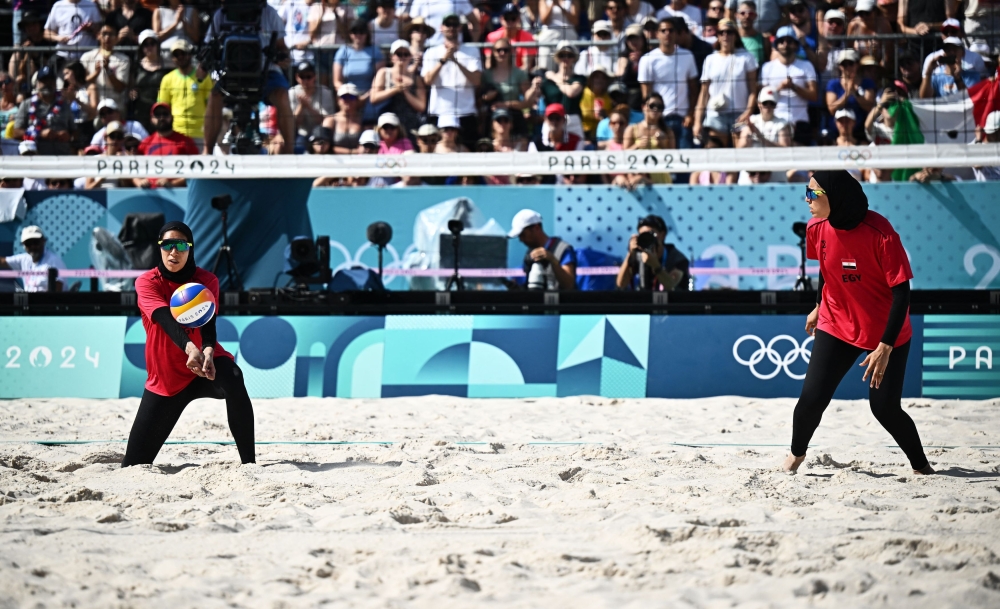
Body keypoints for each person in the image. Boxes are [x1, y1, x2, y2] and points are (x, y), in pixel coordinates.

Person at [784, 170, 933, 477]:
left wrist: (885, 347)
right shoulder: (816, 227)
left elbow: (902, 293)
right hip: (836, 322)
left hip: (884, 333)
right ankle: (796, 455)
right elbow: (826, 267)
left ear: (834, 197)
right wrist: (818, 305)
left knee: (884, 410)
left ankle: (922, 466)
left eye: (813, 194)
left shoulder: (881, 234)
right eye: (806, 192)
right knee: (811, 399)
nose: (806, 199)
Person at [122, 222, 255, 467]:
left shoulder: (206, 280)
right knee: (133, 465)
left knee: (234, 376)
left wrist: (207, 349)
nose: (174, 252)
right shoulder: (147, 282)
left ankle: (250, 465)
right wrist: (189, 348)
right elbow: (164, 319)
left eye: (181, 245)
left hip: (204, 367)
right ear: (160, 247)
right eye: (168, 245)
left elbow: (208, 323)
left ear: (190, 248)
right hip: (166, 379)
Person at [203, 1, 295, 154]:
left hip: (265, 71)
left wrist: (283, 57)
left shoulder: (269, 13)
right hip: (230, 72)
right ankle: (207, 150)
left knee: (282, 94)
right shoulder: (221, 14)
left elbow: (281, 46)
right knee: (215, 95)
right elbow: (208, 46)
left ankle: (289, 151)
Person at [421, 13, 482, 150]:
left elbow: (476, 80)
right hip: (439, 112)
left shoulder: (472, 50)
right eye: (448, 25)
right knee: (437, 154)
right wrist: (443, 61)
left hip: (465, 112)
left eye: (455, 25)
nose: (452, 28)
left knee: (468, 153)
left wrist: (456, 61)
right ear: (441, 27)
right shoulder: (431, 52)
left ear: (460, 27)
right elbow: (428, 81)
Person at [693, 18, 757, 148]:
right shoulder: (710, 59)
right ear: (717, 35)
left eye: (729, 32)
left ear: (735, 35)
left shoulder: (747, 57)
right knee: (714, 154)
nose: (725, 35)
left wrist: (748, 112)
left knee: (740, 157)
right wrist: (697, 121)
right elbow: (703, 93)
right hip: (715, 113)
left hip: (740, 113)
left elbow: (753, 90)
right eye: (722, 32)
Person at [638, 18, 698, 150]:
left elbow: (694, 89)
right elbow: (646, 94)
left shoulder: (687, 56)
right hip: (659, 118)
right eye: (663, 30)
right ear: (657, 34)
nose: (667, 33)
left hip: (682, 119)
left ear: (676, 34)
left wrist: (691, 114)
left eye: (671, 30)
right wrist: (652, 120)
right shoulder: (648, 59)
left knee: (685, 160)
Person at [760, 25, 818, 146]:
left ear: (796, 45)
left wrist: (794, 87)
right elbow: (761, 98)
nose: (785, 44)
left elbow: (814, 95)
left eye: (789, 41)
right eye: (781, 41)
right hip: (774, 121)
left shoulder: (806, 66)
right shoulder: (767, 67)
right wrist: (780, 88)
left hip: (800, 121)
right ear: (776, 45)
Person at [156, 39, 212, 149]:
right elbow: (163, 108)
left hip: (199, 134)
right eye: (176, 54)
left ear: (190, 55)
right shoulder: (167, 79)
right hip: (176, 134)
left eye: (183, 53)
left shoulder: (203, 77)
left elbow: (210, 107)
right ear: (172, 58)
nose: (180, 57)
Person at [370, 40, 427, 139]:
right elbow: (374, 98)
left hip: (410, 123)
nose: (402, 57)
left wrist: (406, 92)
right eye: (399, 54)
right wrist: (395, 90)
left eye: (406, 54)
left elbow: (421, 106)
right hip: (387, 124)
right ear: (392, 57)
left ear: (410, 57)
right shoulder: (384, 73)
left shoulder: (416, 78)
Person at [482, 38, 538, 139]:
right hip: (492, 120)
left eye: (506, 50)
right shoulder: (486, 75)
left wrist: (506, 105)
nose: (502, 53)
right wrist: (486, 97)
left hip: (514, 118)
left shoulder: (519, 74)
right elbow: (479, 100)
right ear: (493, 52)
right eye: (498, 50)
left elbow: (527, 103)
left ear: (511, 51)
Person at [508, 209, 577, 291]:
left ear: (536, 228)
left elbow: (568, 285)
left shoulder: (563, 249)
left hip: (561, 303)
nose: (521, 239)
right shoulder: (530, 253)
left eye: (523, 234)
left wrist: (553, 260)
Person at [616, 214, 689, 291]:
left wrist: (655, 265)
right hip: (646, 301)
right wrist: (631, 253)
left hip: (672, 301)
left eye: (651, 233)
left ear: (663, 235)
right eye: (643, 235)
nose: (648, 238)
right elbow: (621, 283)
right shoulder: (639, 255)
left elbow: (671, 285)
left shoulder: (676, 257)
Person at [13, 66, 75, 155]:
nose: (47, 84)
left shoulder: (65, 105)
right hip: (35, 157)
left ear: (55, 83)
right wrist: (40, 134)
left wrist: (68, 136)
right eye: (44, 81)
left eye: (51, 81)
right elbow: (16, 132)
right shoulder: (26, 104)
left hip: (62, 155)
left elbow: (74, 131)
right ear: (37, 84)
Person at [138, 102, 198, 187]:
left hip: (176, 194)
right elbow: (133, 171)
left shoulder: (186, 141)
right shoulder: (145, 143)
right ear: (151, 119)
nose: (162, 117)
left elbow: (196, 170)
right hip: (149, 193)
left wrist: (173, 183)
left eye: (165, 114)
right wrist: (140, 183)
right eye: (157, 115)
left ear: (172, 117)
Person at [334, 20, 384, 121]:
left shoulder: (375, 51)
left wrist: (365, 97)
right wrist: (351, 97)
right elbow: (337, 81)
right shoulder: (343, 51)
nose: (358, 35)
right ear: (350, 34)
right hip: (348, 97)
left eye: (362, 32)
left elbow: (380, 79)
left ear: (367, 34)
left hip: (370, 97)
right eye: (355, 32)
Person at [826, 48, 875, 139]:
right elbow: (831, 109)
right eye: (844, 64)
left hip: (861, 131)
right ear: (840, 66)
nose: (847, 67)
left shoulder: (867, 83)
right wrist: (847, 94)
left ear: (857, 64)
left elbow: (868, 106)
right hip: (837, 133)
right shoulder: (833, 84)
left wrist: (855, 93)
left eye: (850, 63)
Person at [81, 22, 131, 112]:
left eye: (111, 34)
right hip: (92, 107)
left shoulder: (124, 59)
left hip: (115, 107)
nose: (107, 37)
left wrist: (108, 70)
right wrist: (96, 73)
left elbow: (120, 88)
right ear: (98, 36)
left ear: (116, 38)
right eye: (104, 34)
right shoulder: (87, 57)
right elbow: (81, 83)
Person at [0, 226, 67, 292]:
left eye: (36, 242)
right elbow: (2, 261)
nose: (33, 246)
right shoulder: (24, 259)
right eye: (28, 244)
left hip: (47, 302)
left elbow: (57, 293)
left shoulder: (54, 261)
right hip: (30, 302)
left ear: (43, 241)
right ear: (23, 245)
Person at [543, 41, 587, 137]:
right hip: (552, 120)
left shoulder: (579, 78)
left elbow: (571, 92)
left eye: (569, 55)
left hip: (573, 120)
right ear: (557, 58)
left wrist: (554, 77)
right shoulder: (546, 81)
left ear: (574, 58)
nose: (565, 58)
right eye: (562, 55)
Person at [131, 30, 171, 134]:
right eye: (145, 44)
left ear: (157, 45)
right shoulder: (136, 67)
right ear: (141, 48)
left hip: (160, 111)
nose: (149, 47)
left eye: (152, 43)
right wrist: (131, 93)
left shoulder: (167, 66)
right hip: (141, 111)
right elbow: (131, 87)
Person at [289, 61, 336, 148]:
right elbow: (294, 123)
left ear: (315, 76)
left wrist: (308, 106)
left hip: (320, 135)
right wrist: (301, 106)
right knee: (297, 148)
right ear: (296, 77)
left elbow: (325, 122)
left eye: (308, 76)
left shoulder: (325, 93)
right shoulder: (292, 93)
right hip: (301, 133)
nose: (306, 80)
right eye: (302, 77)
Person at [10, 11, 56, 97]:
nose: (31, 28)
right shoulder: (25, 42)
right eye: (27, 25)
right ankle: (11, 87)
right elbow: (21, 69)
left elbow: (50, 65)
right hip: (27, 80)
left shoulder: (48, 41)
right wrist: (24, 52)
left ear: (39, 25)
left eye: (33, 24)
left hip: (46, 77)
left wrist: (35, 53)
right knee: (15, 56)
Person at [486, 3, 537, 70]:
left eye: (513, 18)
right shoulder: (491, 37)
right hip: (498, 75)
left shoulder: (528, 38)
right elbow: (489, 65)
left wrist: (513, 76)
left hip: (519, 76)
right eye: (507, 18)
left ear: (518, 19)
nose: (510, 22)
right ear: (501, 19)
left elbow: (526, 66)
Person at [324, 83, 364, 153]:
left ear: (357, 100)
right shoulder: (330, 120)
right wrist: (352, 152)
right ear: (338, 100)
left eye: (351, 97)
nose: (348, 100)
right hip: (334, 161)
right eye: (344, 97)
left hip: (359, 161)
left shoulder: (362, 120)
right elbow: (324, 146)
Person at [734, 1, 769, 65]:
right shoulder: (731, 38)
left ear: (755, 16)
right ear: (737, 15)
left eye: (751, 14)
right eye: (743, 13)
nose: (747, 16)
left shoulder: (764, 40)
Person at [973, 111, 1000, 182]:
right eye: (997, 132)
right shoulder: (975, 145)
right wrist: (978, 140)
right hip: (986, 190)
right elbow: (977, 164)